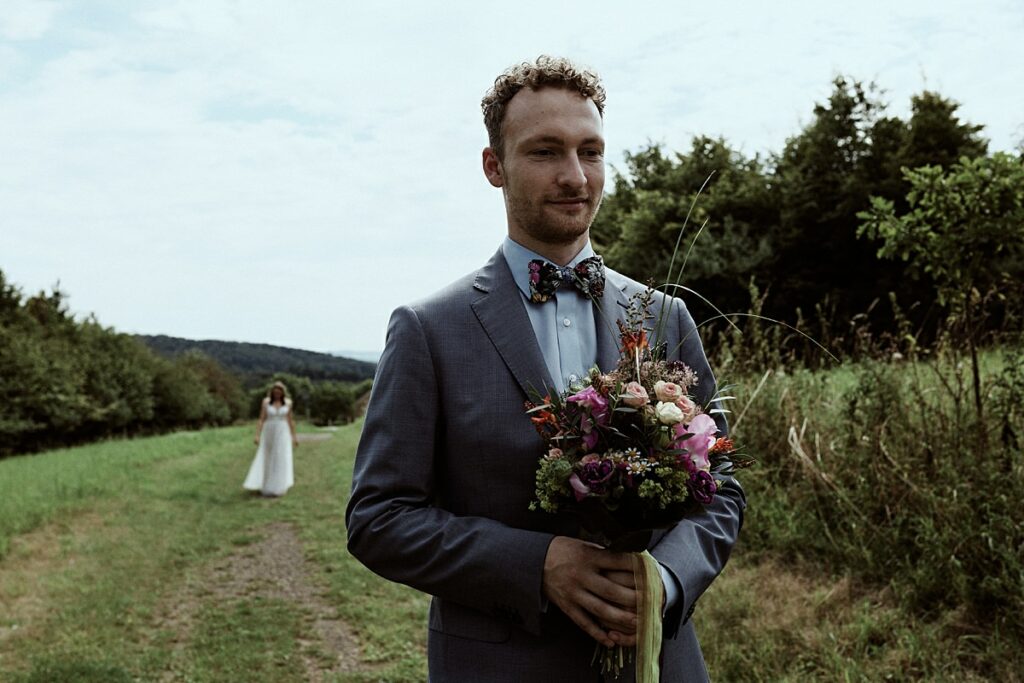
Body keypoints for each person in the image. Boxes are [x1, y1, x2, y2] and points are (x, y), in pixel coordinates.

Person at [346, 56, 745, 681]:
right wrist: (537, 564)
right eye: (544, 152)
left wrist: (665, 582)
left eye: (591, 151)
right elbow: (379, 518)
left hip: (661, 661)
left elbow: (721, 486)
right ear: (493, 166)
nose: (574, 176)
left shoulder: (665, 316)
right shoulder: (428, 330)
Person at [243, 381, 298, 497]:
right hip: (269, 431)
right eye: (275, 391)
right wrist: (257, 435)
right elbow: (261, 419)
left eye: (279, 391)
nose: (277, 393)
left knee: (280, 457)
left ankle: (279, 486)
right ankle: (267, 484)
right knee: (267, 457)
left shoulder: (288, 403)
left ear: (283, 392)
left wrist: (294, 437)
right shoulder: (266, 402)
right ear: (272, 392)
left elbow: (290, 420)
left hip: (283, 432)